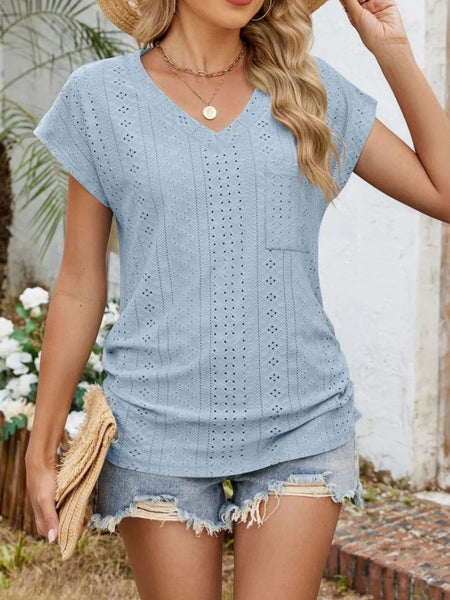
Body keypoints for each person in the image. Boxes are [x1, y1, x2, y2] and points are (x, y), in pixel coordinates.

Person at [25, 0, 450, 598]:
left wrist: (392, 48)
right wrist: (42, 445)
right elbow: (78, 285)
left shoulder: (309, 89)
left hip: (301, 420)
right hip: (156, 424)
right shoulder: (100, 97)